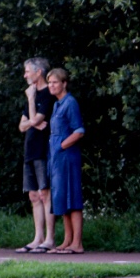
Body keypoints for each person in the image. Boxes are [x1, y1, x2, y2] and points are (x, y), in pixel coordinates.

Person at [16, 58, 56, 253]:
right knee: (33, 195)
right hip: (30, 149)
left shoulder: (47, 93)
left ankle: (49, 239)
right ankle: (37, 237)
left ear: (38, 72)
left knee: (44, 193)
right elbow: (22, 126)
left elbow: (35, 118)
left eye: (27, 71)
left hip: (43, 149)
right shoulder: (31, 94)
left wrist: (32, 101)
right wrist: (33, 122)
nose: (25, 75)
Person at [46, 68, 85, 254]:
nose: (51, 86)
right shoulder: (56, 105)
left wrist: (61, 146)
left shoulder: (70, 103)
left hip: (67, 156)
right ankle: (67, 241)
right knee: (62, 197)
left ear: (64, 83)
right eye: (50, 82)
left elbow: (79, 131)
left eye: (55, 82)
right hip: (57, 158)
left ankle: (77, 243)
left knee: (73, 197)